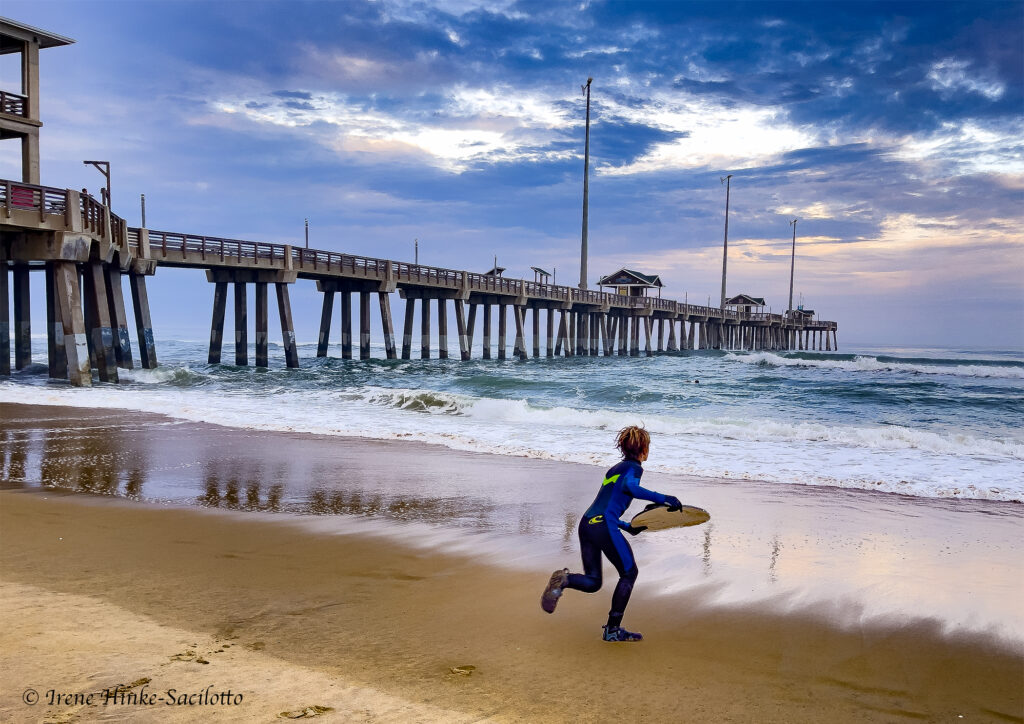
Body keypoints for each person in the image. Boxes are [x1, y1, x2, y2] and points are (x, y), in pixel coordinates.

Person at [540, 425, 681, 642]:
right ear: (644, 449)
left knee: (594, 581)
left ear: (623, 447)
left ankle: (564, 579)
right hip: (603, 525)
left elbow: (608, 505)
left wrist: (628, 527)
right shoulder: (634, 468)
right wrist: (664, 498)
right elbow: (631, 488)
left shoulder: (614, 469)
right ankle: (612, 630)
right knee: (629, 573)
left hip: (587, 524)